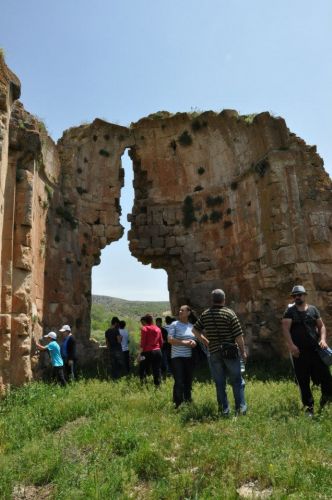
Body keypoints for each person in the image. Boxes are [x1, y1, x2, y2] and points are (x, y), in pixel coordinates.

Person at [193, 289, 247, 416]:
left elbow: (195, 330)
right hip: (230, 352)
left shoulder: (205, 314)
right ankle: (240, 410)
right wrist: (243, 351)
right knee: (237, 381)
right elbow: (239, 336)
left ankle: (224, 410)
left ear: (212, 300)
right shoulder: (229, 313)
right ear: (224, 299)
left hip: (213, 352)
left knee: (220, 383)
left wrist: (206, 341)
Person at [282, 285, 332, 416]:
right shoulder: (289, 312)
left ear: (305, 295)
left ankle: (325, 402)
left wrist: (323, 339)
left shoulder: (313, 310)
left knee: (327, 378)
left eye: (299, 295)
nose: (297, 297)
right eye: (295, 295)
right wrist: (291, 346)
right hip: (299, 353)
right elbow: (285, 329)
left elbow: (321, 326)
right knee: (303, 381)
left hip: (316, 351)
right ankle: (309, 408)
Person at [168, 305, 197, 408]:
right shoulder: (174, 324)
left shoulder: (191, 326)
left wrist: (194, 342)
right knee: (179, 380)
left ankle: (188, 400)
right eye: (179, 310)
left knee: (188, 380)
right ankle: (177, 403)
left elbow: (195, 339)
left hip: (189, 357)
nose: (180, 311)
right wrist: (185, 343)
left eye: (182, 310)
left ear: (188, 313)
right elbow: (170, 340)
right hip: (177, 357)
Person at [138, 314, 163, 386]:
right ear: (152, 320)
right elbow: (161, 342)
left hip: (146, 353)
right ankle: (158, 385)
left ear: (145, 320)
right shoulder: (158, 329)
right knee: (157, 369)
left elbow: (143, 343)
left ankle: (143, 383)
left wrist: (139, 354)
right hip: (158, 352)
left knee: (142, 367)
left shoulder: (144, 328)